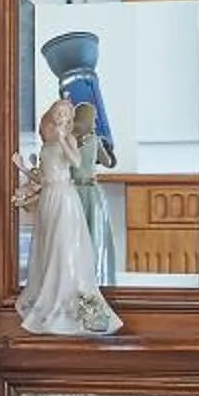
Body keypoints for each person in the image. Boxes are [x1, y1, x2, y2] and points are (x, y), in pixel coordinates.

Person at [16, 96, 122, 335]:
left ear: (70, 119)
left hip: (65, 197)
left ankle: (69, 298)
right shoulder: (46, 146)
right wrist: (22, 167)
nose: (61, 118)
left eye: (65, 114)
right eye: (58, 114)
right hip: (49, 198)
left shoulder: (70, 140)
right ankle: (48, 295)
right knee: (47, 246)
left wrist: (64, 140)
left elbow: (74, 161)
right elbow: (42, 178)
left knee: (64, 246)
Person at [70, 100, 124, 289]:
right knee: (94, 236)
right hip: (91, 193)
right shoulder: (94, 140)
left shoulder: (69, 140)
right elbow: (109, 162)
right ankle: (91, 275)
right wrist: (109, 149)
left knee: (73, 236)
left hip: (73, 192)